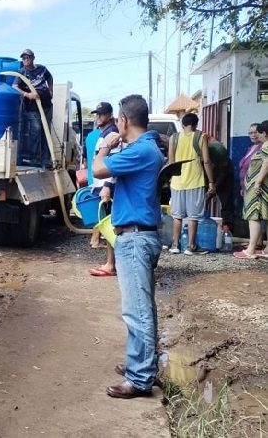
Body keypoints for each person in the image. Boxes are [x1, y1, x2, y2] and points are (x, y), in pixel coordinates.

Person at [92, 94, 165, 399]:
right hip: (137, 236)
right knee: (141, 308)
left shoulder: (141, 150)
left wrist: (106, 145)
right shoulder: (146, 149)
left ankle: (140, 377)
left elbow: (98, 169)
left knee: (137, 312)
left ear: (123, 120)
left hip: (135, 239)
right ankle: (141, 365)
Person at [168, 113, 215, 255]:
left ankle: (175, 245)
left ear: (183, 124)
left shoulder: (174, 138)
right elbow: (206, 161)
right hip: (195, 181)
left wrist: (171, 179)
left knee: (177, 215)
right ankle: (191, 246)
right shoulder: (201, 137)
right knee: (193, 216)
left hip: (177, 182)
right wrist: (211, 181)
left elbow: (171, 161)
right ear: (195, 124)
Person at [88, 102, 119, 276]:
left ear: (109, 115)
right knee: (107, 227)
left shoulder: (112, 134)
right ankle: (110, 262)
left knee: (109, 227)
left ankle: (111, 264)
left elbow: (112, 165)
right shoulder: (104, 133)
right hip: (102, 186)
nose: (97, 117)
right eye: (96, 114)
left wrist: (107, 186)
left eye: (101, 114)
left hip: (107, 188)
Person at [12, 48, 54, 169]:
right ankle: (34, 158)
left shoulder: (42, 69)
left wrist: (51, 90)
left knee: (46, 132)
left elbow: (50, 77)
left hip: (46, 105)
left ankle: (45, 160)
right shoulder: (22, 72)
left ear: (33, 58)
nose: (25, 60)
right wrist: (27, 94)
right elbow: (14, 86)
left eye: (28, 57)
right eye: (23, 58)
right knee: (35, 131)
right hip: (32, 107)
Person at [234, 120, 268, 259]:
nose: (256, 136)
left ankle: (250, 250)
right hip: (259, 187)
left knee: (253, 216)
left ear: (264, 133)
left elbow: (266, 163)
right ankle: (266, 250)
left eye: (258, 133)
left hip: (258, 188)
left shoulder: (266, 146)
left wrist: (257, 183)